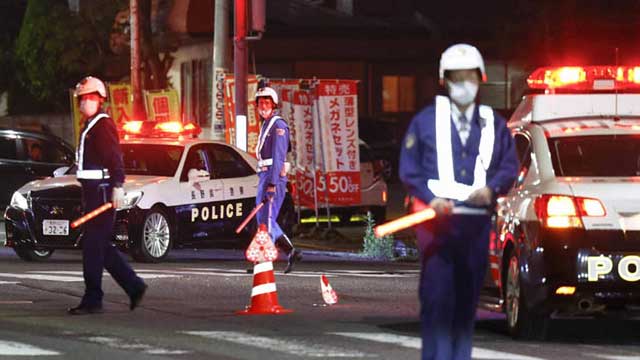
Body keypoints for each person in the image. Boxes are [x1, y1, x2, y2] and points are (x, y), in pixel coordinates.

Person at [399, 44, 518, 359]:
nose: (463, 84)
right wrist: (430, 198)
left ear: (480, 79)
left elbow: (508, 166)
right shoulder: (425, 122)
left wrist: (491, 189)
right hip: (436, 226)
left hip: (475, 225)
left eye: (469, 77)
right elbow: (409, 169)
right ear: (444, 80)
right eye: (456, 77)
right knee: (438, 298)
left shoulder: (493, 123)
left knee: (466, 302)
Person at [69, 76, 147, 315]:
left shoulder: (102, 124)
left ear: (100, 100)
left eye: (90, 98)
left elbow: (115, 158)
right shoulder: (90, 125)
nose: (85, 102)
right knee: (101, 247)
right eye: (83, 99)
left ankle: (93, 298)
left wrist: (117, 186)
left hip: (102, 194)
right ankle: (134, 286)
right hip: (92, 193)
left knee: (93, 246)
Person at [254, 86, 302, 273]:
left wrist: (273, 183)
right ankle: (291, 251)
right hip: (265, 175)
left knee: (266, 219)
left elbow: (278, 156)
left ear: (273, 105)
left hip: (273, 177)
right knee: (264, 219)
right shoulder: (266, 124)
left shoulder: (278, 125)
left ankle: (264, 263)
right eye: (260, 103)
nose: (263, 106)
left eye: (266, 102)